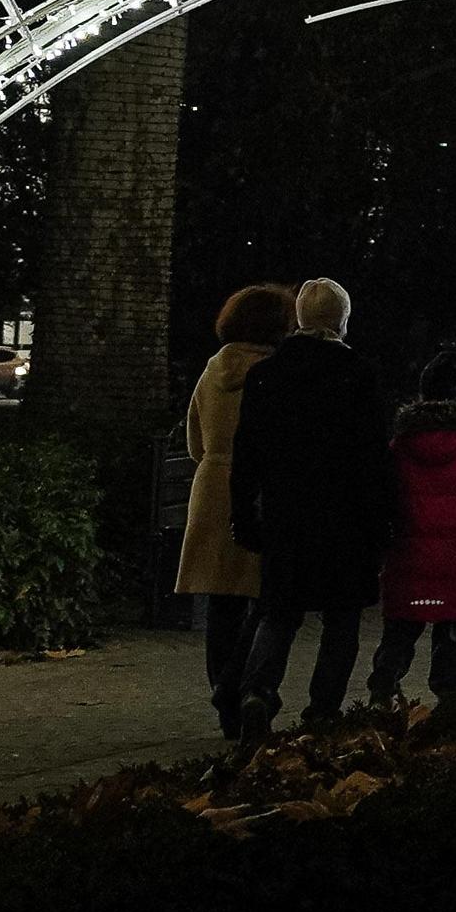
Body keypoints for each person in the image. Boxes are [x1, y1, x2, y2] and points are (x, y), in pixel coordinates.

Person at [227, 276, 393, 736]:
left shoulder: (266, 376)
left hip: (287, 513)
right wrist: (384, 523)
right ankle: (323, 709)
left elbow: (247, 455)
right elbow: (375, 456)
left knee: (278, 610)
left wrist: (244, 514)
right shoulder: (360, 374)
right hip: (347, 517)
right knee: (341, 619)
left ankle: (257, 691)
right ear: (342, 320)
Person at [173, 283, 294, 741]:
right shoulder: (277, 372)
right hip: (261, 490)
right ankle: (239, 690)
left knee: (221, 603)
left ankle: (223, 697)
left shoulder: (212, 370)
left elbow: (193, 441)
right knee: (266, 599)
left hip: (212, 486)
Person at [370, 393, 456, 707]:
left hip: (409, 557)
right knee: (451, 630)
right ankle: (449, 692)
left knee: (401, 626)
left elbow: (385, 503)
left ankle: (384, 683)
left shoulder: (400, 448)